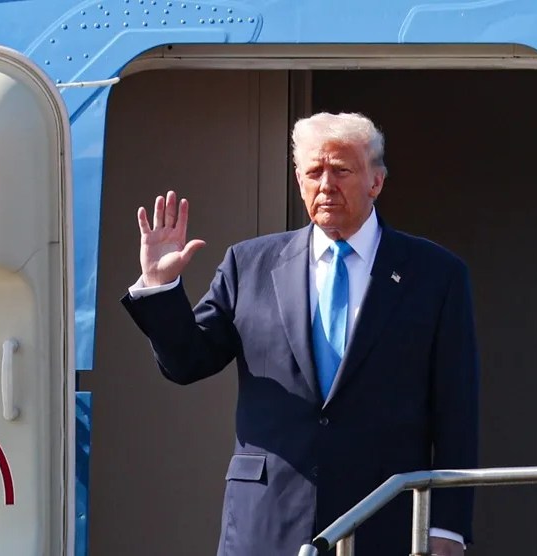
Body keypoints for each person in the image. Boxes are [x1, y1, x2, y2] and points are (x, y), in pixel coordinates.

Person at [121, 112, 479, 555]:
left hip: (385, 520)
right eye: (314, 171)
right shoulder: (249, 264)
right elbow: (186, 362)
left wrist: (447, 527)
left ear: (376, 182)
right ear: (298, 179)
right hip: (267, 520)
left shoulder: (435, 275)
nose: (326, 184)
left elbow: (456, 411)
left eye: (342, 170)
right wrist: (160, 287)